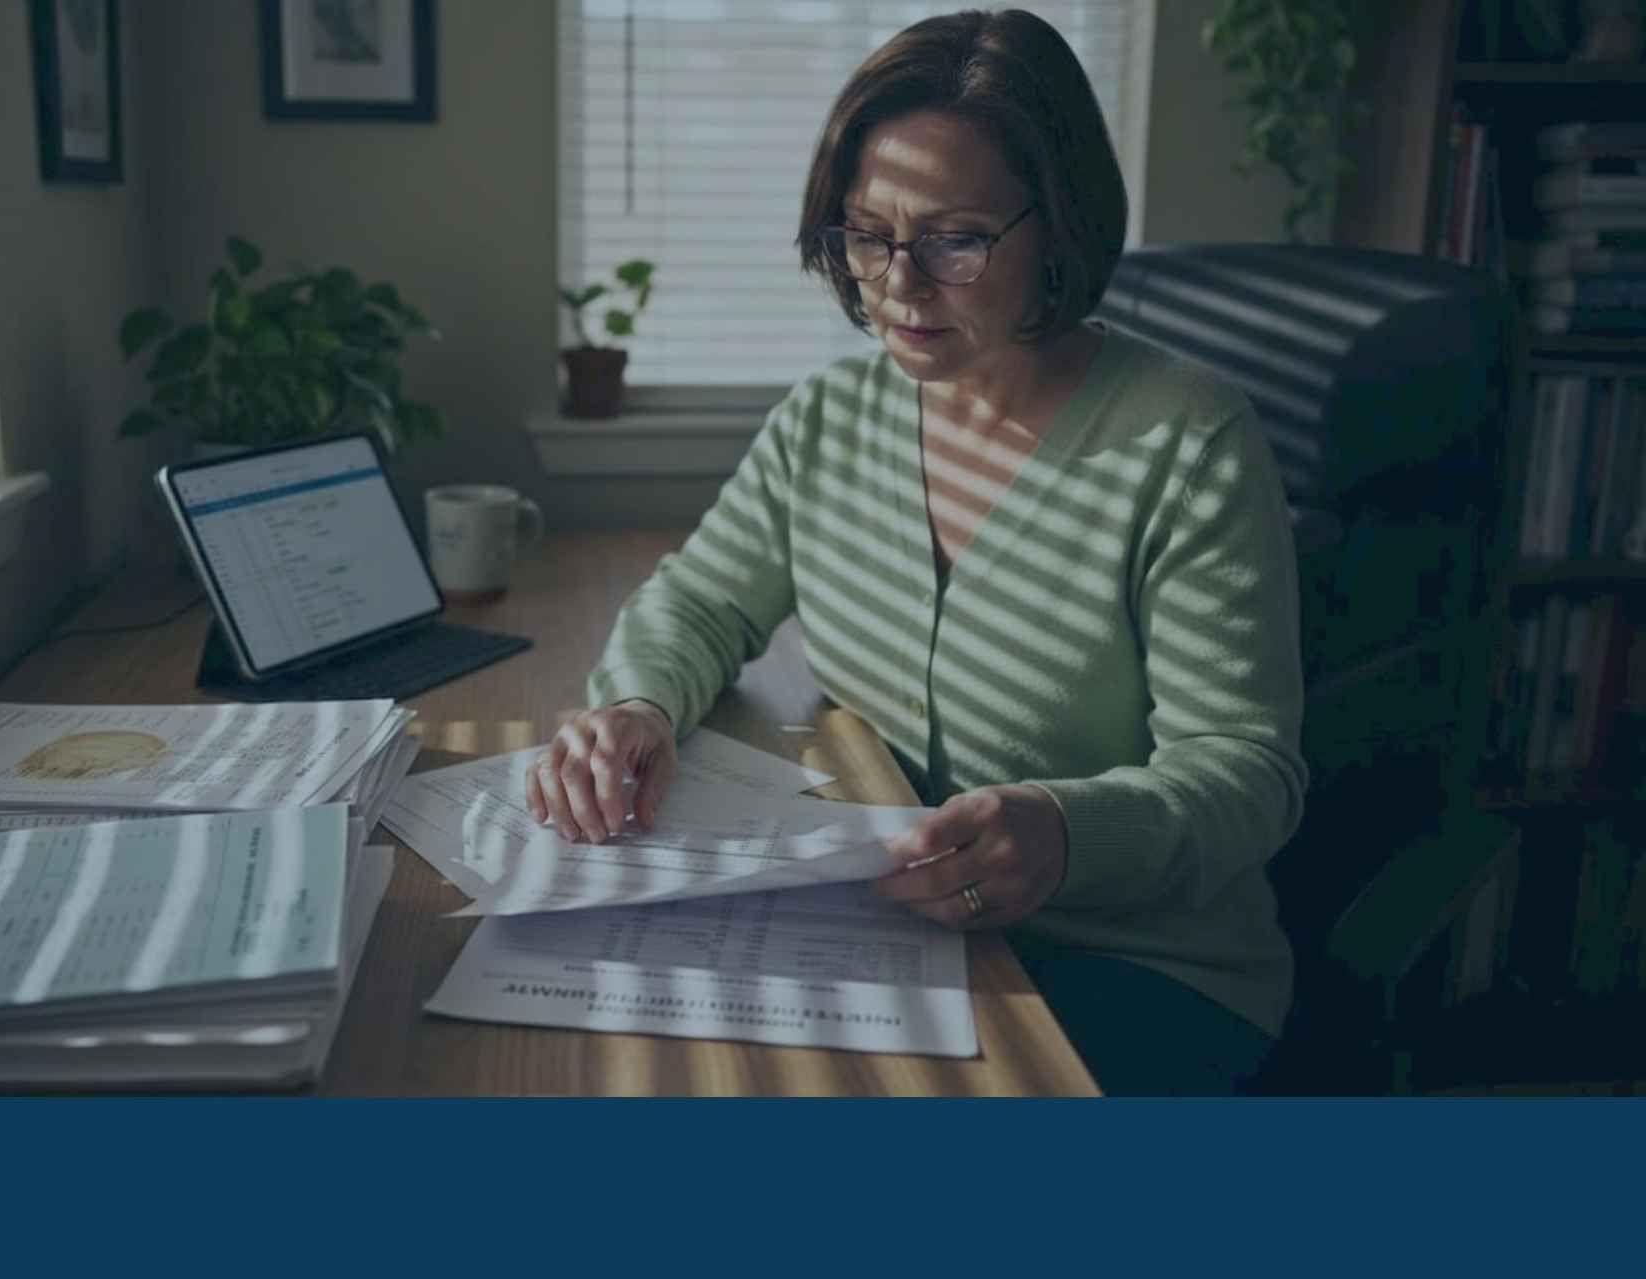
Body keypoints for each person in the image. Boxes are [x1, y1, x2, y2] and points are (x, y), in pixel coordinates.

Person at [524, 9, 1307, 1095]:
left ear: (1059, 228)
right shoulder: (831, 419)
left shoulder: (1188, 441)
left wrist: (1066, 831)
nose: (896, 283)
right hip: (896, 938)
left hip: (1135, 969)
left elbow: (1248, 774)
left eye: (955, 238)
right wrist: (640, 707)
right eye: (866, 231)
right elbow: (702, 600)